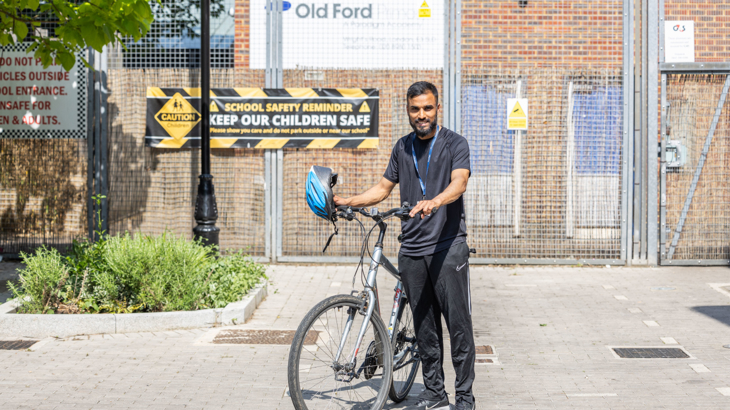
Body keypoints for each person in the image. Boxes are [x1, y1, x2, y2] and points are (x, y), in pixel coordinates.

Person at [334, 81, 476, 410]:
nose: (421, 115)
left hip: (447, 247)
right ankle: (435, 391)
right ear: (408, 111)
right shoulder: (402, 147)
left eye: (427, 108)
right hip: (411, 249)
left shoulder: (455, 143)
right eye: (415, 109)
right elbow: (383, 188)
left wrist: (436, 201)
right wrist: (348, 201)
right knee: (425, 326)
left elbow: (460, 181)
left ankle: (465, 398)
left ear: (437, 108)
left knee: (457, 327)